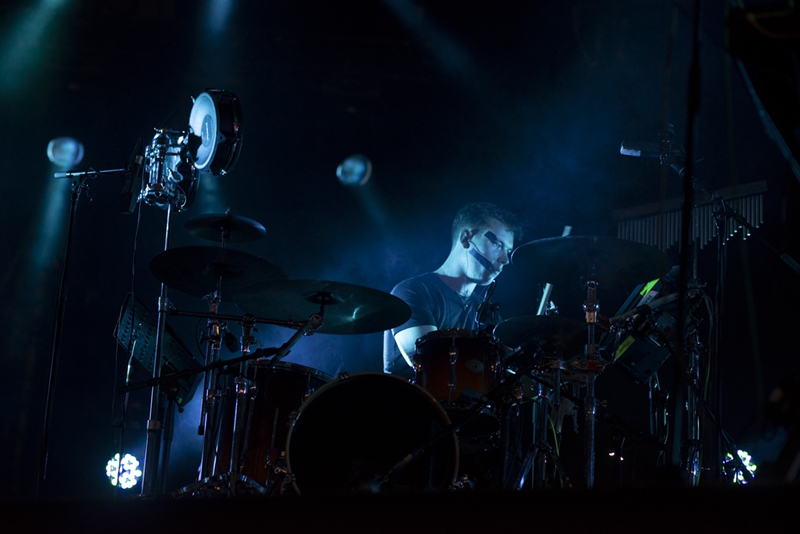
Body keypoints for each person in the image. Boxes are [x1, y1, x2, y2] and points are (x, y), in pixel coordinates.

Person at [383, 202, 524, 378]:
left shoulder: (485, 313)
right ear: (466, 238)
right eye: (497, 244)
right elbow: (431, 365)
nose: (505, 259)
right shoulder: (412, 292)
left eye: (508, 250)